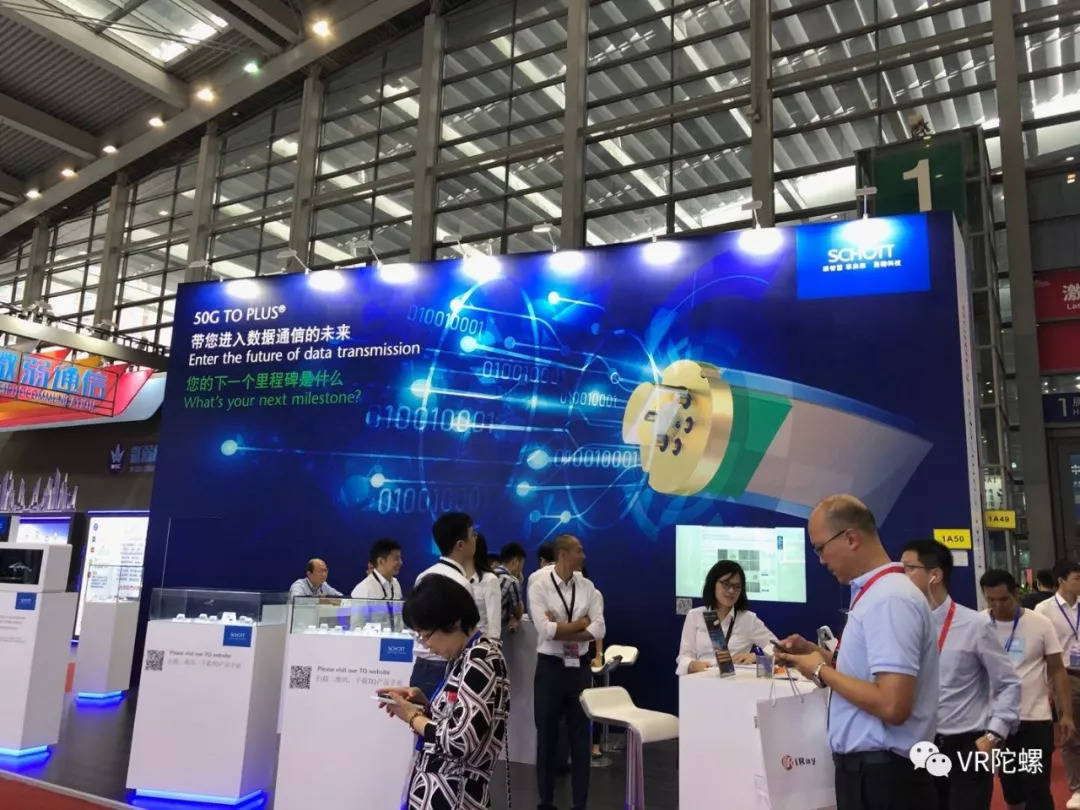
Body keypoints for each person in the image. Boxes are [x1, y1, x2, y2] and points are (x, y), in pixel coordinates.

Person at [774, 495, 939, 810]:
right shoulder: (878, 593)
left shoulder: (889, 599)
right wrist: (815, 654)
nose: (820, 560)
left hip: (885, 779)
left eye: (820, 548)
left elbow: (892, 704)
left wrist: (820, 671)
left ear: (850, 538)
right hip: (873, 774)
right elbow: (865, 675)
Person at [900, 539, 1020, 810]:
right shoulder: (903, 624)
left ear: (935, 575)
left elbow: (1009, 683)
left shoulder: (974, 625)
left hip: (966, 746)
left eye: (908, 568)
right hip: (917, 745)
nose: (901, 576)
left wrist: (994, 735)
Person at [378, 575, 509, 810]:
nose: (425, 644)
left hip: (454, 795)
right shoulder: (465, 656)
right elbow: (458, 719)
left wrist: (413, 717)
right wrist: (422, 704)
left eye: (426, 635)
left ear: (453, 622)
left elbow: (460, 741)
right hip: (444, 791)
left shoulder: (481, 659)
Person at [982, 568, 1075, 810]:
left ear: (1016, 593)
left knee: (1037, 787)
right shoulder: (978, 624)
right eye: (991, 600)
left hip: (1034, 719)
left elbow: (1057, 669)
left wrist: (1065, 714)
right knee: (1011, 789)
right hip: (994, 721)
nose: (997, 606)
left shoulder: (1039, 623)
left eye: (1004, 599)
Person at [528, 533, 605, 810]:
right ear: (563, 554)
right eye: (578, 551)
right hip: (549, 669)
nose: (583, 556)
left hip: (579, 669)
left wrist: (562, 629)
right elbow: (545, 630)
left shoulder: (588, 587)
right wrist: (580, 624)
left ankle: (580, 804)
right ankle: (546, 801)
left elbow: (599, 628)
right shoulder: (539, 586)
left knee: (580, 739)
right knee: (547, 736)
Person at [411, 512, 476, 699]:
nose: (476, 539)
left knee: (420, 715)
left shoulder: (424, 575)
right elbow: (465, 633)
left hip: (423, 665)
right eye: (473, 534)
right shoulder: (460, 583)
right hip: (443, 665)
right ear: (460, 545)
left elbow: (415, 625)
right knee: (441, 718)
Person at [676, 559, 776, 674]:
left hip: (733, 681)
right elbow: (684, 656)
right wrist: (692, 665)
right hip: (700, 679)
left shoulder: (748, 619)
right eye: (726, 584)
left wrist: (756, 657)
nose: (731, 590)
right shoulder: (695, 615)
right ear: (713, 584)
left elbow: (777, 650)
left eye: (737, 586)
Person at [1034, 558, 1080, 809]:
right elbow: (1038, 649)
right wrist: (1045, 683)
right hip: (1064, 674)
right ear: (1061, 581)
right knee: (1071, 730)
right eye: (1077, 578)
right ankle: (1077, 788)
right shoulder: (1044, 610)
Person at [351, 538, 404, 628]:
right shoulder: (363, 589)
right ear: (381, 561)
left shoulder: (396, 584)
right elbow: (357, 627)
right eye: (396, 559)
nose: (400, 562)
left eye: (400, 558)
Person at [469, 533, 502, 641]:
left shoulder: (489, 580)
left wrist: (492, 645)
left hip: (480, 643)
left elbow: (494, 626)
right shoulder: (455, 576)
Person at [494, 542, 526, 634]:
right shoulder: (511, 581)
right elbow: (518, 613)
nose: (521, 569)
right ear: (515, 561)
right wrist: (519, 582)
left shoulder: (488, 573)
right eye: (522, 564)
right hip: (494, 632)